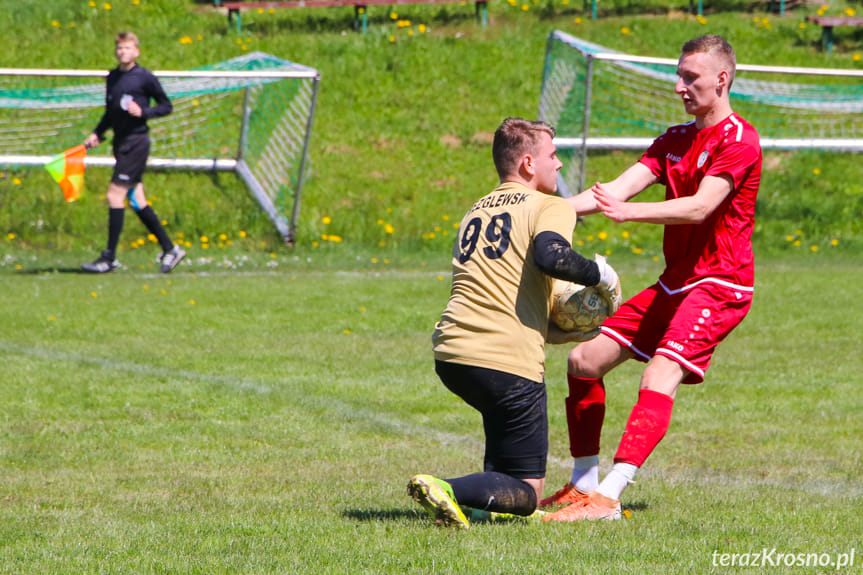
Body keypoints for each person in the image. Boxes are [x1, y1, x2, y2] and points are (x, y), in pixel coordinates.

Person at [539, 35, 762, 522]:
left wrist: (629, 212)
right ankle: (583, 485)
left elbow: (701, 205)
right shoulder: (675, 139)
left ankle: (609, 497)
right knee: (583, 359)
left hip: (721, 284)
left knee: (659, 372)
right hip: (676, 281)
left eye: (690, 77)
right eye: (679, 75)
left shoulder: (739, 140)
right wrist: (532, 212)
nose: (679, 85)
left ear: (721, 79)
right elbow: (612, 192)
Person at [407, 117, 621, 529]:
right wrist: (601, 277)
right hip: (505, 361)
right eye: (553, 156)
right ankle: (442, 486)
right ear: (527, 163)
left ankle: (476, 505)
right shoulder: (549, 206)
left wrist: (571, 330)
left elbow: (503, 294)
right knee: (527, 492)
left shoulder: (476, 210)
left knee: (505, 446)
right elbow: (552, 256)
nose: (559, 165)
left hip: (453, 354)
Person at [81, 31, 185, 274]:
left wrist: (144, 113)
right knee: (137, 200)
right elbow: (110, 112)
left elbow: (166, 106)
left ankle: (109, 258)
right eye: (119, 48)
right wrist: (98, 132)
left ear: (136, 51)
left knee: (114, 196)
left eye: (127, 48)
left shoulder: (145, 77)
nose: (122, 52)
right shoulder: (113, 77)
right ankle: (170, 249)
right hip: (120, 142)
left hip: (136, 144)